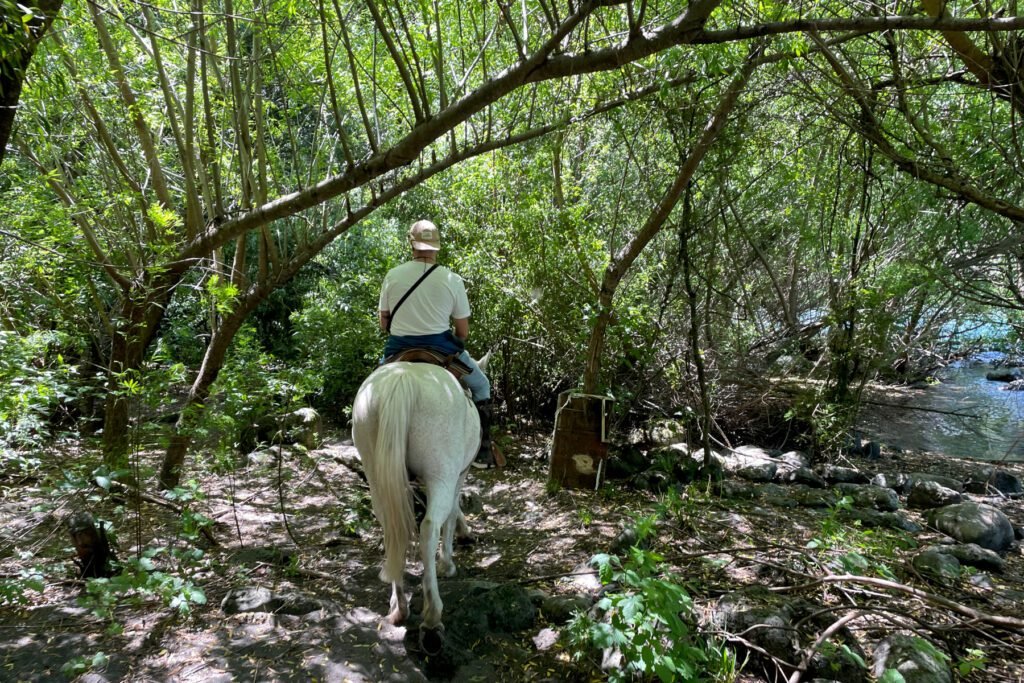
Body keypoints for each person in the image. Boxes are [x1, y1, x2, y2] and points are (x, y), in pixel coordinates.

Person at [379, 219, 495, 469]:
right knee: (482, 385)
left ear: (411, 244)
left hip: (397, 351)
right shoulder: (451, 279)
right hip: (442, 351)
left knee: (371, 390)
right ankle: (483, 453)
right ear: (436, 247)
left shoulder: (392, 275)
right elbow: (462, 331)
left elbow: (383, 323)